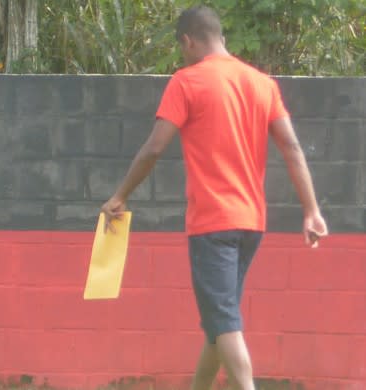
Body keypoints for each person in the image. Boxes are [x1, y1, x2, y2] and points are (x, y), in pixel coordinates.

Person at [100, 5, 328, 390]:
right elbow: (291, 146)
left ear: (188, 41)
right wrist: (312, 210)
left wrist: (119, 195)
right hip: (252, 224)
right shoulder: (261, 83)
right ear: (219, 35)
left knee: (222, 319)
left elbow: (154, 148)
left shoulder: (187, 82)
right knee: (217, 323)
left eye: (182, 47)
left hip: (212, 224)